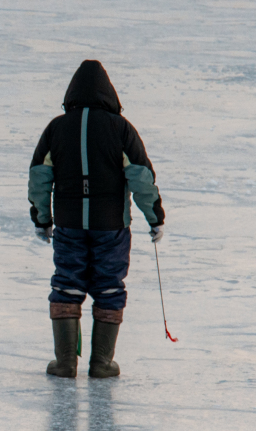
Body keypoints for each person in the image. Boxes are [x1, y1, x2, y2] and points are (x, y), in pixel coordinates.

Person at [28, 60, 165, 378]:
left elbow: (39, 178)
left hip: (69, 225)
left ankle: (65, 363)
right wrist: (154, 217)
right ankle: (101, 363)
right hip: (111, 228)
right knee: (109, 287)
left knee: (67, 285)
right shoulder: (121, 129)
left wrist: (42, 219)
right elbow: (141, 177)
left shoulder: (56, 129)